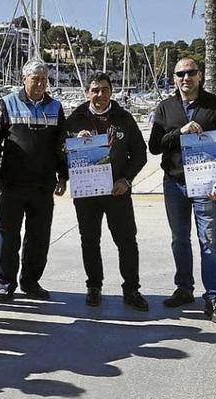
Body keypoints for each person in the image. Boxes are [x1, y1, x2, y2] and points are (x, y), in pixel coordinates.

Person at [149, 58, 216, 325]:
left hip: (206, 185)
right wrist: (180, 131)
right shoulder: (165, 108)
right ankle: (184, 289)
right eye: (180, 74)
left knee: (209, 242)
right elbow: (154, 146)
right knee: (179, 239)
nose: (186, 78)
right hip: (174, 183)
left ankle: (213, 298)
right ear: (174, 78)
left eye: (191, 73)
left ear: (200, 76)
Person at [66, 72, 149, 310]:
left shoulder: (124, 118)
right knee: (89, 240)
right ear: (87, 93)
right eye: (94, 90)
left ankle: (132, 289)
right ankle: (94, 286)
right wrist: (73, 144)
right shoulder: (75, 119)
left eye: (104, 89)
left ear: (111, 91)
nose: (99, 95)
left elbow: (140, 154)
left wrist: (126, 179)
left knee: (126, 241)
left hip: (117, 192)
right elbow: (60, 152)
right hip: (87, 193)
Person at [0, 58, 68, 302]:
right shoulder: (7, 103)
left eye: (43, 79)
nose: (39, 83)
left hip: (42, 185)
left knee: (38, 237)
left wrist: (63, 175)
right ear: (23, 79)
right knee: (7, 237)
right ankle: (5, 283)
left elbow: (61, 144)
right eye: (35, 78)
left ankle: (31, 281)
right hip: (12, 184)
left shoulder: (55, 107)